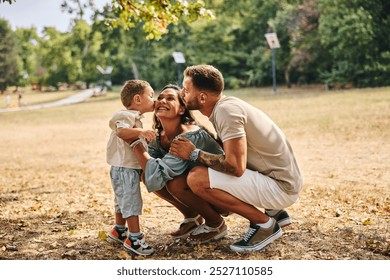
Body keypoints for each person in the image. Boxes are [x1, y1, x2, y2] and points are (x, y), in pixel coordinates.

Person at [169, 64, 303, 252]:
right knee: (202, 172)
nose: (182, 93)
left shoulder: (226, 112)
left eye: (186, 89)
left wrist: (193, 153)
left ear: (202, 97)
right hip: (280, 179)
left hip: (282, 188)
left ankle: (265, 225)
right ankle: (276, 213)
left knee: (197, 178)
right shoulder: (225, 106)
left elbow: (235, 167)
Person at [130, 84, 227, 243]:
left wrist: (135, 143)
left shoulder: (188, 135)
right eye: (160, 98)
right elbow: (149, 172)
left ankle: (216, 223)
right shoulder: (159, 136)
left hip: (224, 189)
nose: (162, 101)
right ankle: (192, 217)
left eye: (170, 98)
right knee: (147, 175)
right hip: (199, 186)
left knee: (174, 183)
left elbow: (157, 173)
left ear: (182, 110)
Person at [106, 79, 157, 256]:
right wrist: (141, 132)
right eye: (151, 95)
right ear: (137, 99)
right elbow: (121, 132)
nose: (154, 99)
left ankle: (119, 230)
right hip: (124, 168)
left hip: (125, 167)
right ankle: (134, 239)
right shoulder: (125, 115)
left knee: (122, 200)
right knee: (131, 201)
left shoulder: (134, 117)